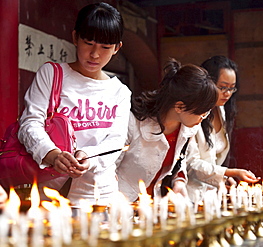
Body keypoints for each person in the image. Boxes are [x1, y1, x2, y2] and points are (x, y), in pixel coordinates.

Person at [18, 2, 131, 205]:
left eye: (105, 47)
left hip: (100, 195)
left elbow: (116, 141)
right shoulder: (52, 74)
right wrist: (52, 154)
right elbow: (30, 122)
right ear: (75, 38)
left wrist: (88, 156)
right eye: (89, 43)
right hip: (53, 194)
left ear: (117, 48)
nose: (95, 54)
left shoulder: (120, 92)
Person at [116, 58, 218, 202]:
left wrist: (179, 181)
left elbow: (179, 161)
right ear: (180, 107)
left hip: (155, 203)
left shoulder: (187, 128)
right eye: (202, 113)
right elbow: (109, 166)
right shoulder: (133, 123)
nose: (203, 118)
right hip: (123, 204)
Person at [186, 55, 260, 203]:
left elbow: (214, 161)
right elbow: (191, 164)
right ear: (207, 82)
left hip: (213, 195)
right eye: (222, 87)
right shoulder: (190, 114)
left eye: (232, 88)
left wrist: (224, 178)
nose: (227, 93)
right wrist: (228, 172)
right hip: (191, 195)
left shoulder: (222, 110)